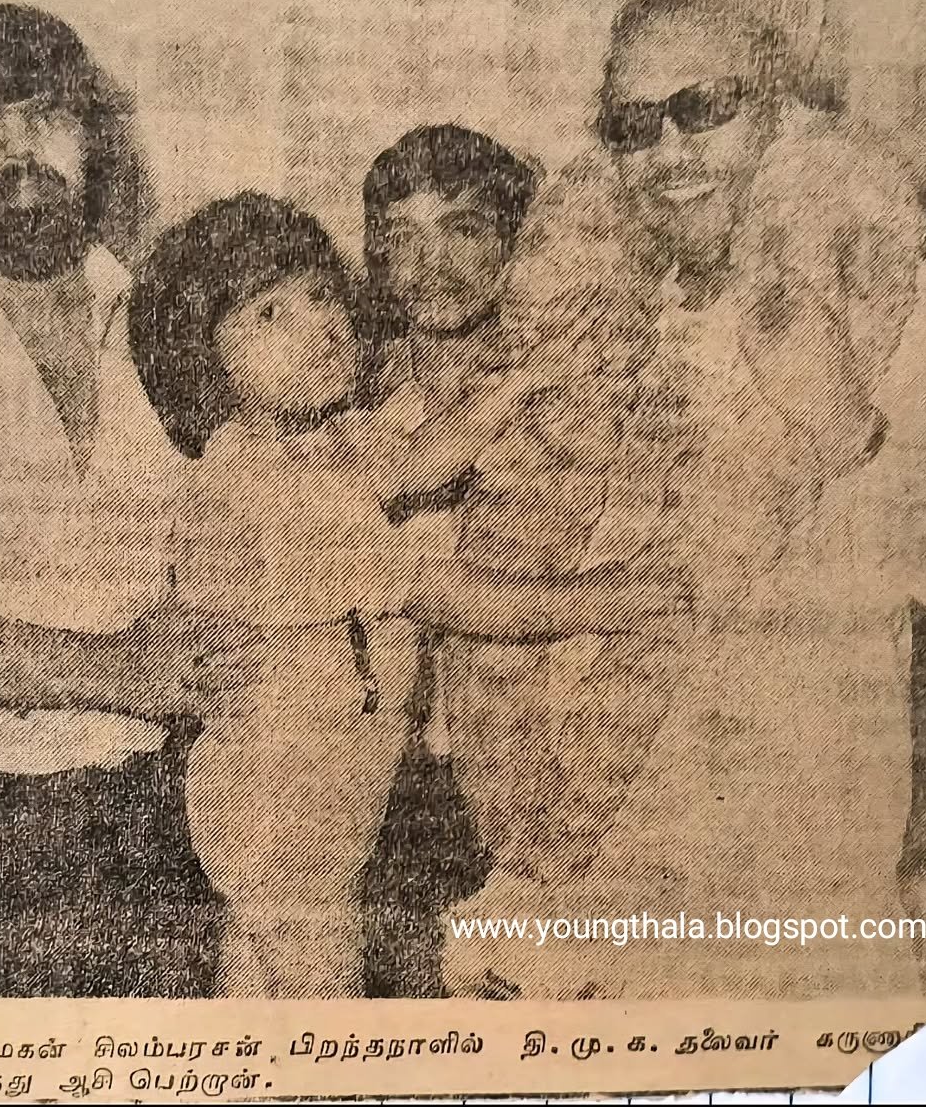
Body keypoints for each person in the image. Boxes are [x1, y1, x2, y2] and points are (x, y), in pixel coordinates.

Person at [444, 0, 926, 1000]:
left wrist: (845, 425)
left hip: (782, 880)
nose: (670, 151)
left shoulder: (881, 296)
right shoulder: (586, 322)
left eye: (704, 107)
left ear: (778, 106)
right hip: (590, 871)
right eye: (635, 124)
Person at [128, 189, 692, 998]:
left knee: (253, 984)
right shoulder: (249, 484)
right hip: (279, 809)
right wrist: (606, 597)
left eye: (321, 294)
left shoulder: (332, 436)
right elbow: (442, 594)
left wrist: (523, 380)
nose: (319, 324)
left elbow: (422, 458)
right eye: (269, 314)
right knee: (325, 998)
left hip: (329, 800)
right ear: (201, 359)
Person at [0, 4, 242, 995]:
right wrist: (115, 670)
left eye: (43, 114)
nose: (16, 148)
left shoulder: (173, 311)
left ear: (95, 136)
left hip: (157, 807)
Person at [361, 124, 658, 995]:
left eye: (461, 228)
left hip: (540, 758)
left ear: (513, 240)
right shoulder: (353, 398)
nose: (431, 264)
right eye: (402, 238)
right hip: (383, 768)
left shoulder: (568, 383)